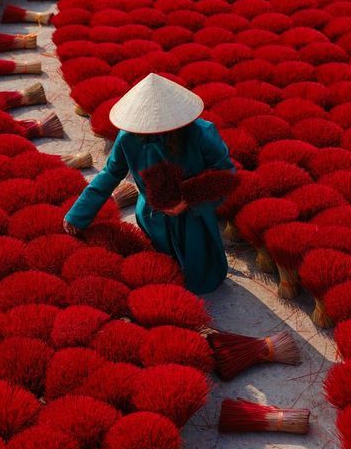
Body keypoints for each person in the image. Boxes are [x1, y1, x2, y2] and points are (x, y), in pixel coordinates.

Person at [63, 73, 235, 294]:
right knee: (162, 266)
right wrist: (78, 214)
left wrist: (187, 200)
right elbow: (110, 173)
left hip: (194, 215)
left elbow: (226, 172)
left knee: (200, 271)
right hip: (151, 215)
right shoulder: (128, 137)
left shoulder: (201, 133)